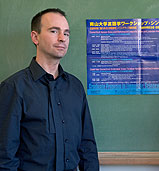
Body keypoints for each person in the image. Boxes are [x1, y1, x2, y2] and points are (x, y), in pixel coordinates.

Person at [0, 8, 99, 170]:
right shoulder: (13, 88)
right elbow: (5, 155)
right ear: (35, 37)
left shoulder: (75, 87)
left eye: (66, 33)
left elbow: (87, 144)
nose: (62, 38)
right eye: (54, 31)